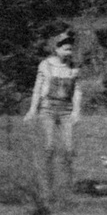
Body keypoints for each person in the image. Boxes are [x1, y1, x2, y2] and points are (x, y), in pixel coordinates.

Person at [23, 32, 86, 199]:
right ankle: (46, 186)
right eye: (64, 44)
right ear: (56, 48)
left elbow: (77, 91)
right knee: (49, 148)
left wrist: (76, 111)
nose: (68, 47)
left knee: (69, 148)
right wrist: (32, 110)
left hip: (66, 110)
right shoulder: (46, 65)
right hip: (48, 109)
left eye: (70, 44)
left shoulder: (74, 67)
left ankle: (67, 186)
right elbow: (37, 89)